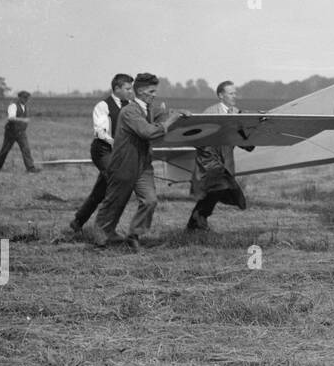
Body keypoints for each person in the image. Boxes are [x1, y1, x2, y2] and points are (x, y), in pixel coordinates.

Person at [92, 73, 189, 250]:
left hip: (143, 165)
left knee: (150, 200)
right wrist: (171, 120)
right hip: (123, 164)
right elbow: (148, 132)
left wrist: (179, 114)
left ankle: (133, 235)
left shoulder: (149, 109)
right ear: (142, 91)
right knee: (115, 202)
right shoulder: (129, 111)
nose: (154, 94)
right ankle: (100, 239)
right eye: (152, 91)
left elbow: (162, 116)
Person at [61, 74, 133, 241]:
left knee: (100, 191)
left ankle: (77, 223)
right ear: (117, 89)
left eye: (131, 89)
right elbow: (100, 131)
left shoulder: (129, 105)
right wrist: (113, 141)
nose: (131, 92)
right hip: (103, 150)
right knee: (117, 182)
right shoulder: (103, 105)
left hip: (118, 152)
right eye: (127, 89)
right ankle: (105, 229)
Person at [186, 80, 254, 232]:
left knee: (224, 194)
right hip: (209, 162)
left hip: (227, 162)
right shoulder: (210, 113)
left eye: (235, 93)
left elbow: (246, 144)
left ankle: (194, 222)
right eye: (231, 93)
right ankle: (199, 220)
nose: (234, 96)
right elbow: (198, 139)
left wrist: (252, 129)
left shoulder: (238, 113)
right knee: (218, 188)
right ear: (221, 95)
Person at [0, 90, 39, 172]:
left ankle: (30, 168)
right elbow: (11, 118)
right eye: (24, 98)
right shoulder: (13, 106)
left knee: (26, 149)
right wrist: (23, 120)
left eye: (27, 98)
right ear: (19, 97)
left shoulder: (24, 107)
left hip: (21, 132)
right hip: (11, 132)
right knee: (5, 150)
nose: (26, 100)